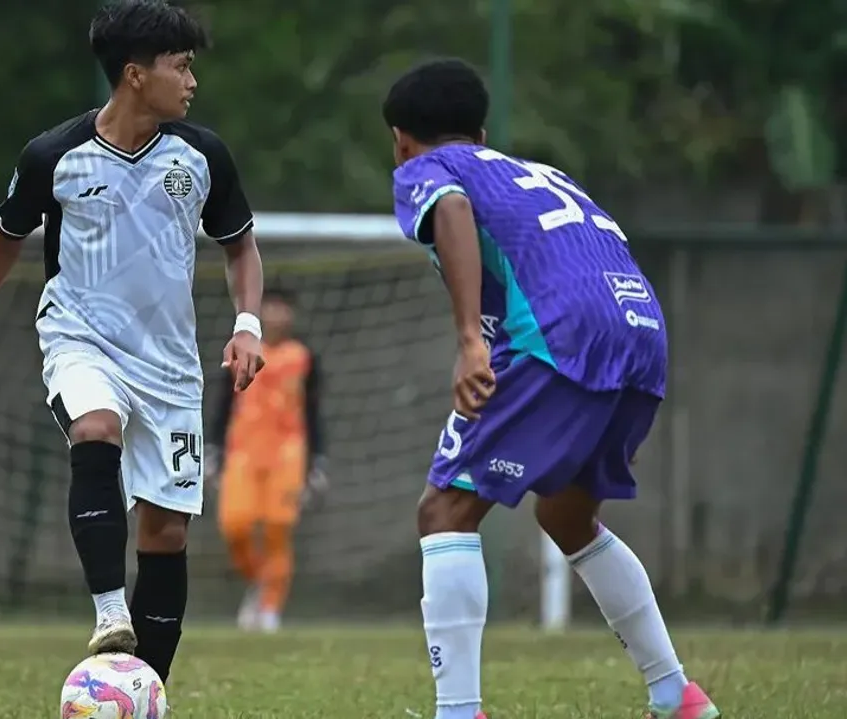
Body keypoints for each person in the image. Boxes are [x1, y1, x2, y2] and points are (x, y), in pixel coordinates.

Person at [0, 0, 264, 687]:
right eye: (182, 66)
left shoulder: (202, 155)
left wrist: (246, 324)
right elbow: (1, 243)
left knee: (166, 532)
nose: (192, 81)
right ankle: (109, 610)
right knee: (95, 426)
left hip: (170, 365)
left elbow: (240, 246)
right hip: (79, 337)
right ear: (135, 74)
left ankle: (146, 690)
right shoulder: (53, 154)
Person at [384, 58, 720, 719]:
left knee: (444, 510)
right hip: (642, 331)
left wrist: (470, 341)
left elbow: (448, 208)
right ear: (480, 130)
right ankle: (675, 693)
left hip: (560, 336)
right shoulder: (541, 173)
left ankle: (458, 712)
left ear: (400, 138)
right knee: (566, 515)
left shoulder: (427, 170)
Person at [205, 288, 328, 633]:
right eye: (269, 309)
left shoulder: (304, 357)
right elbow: (222, 406)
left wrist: (318, 461)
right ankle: (259, 582)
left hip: (288, 453)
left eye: (282, 309)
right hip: (242, 451)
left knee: (277, 528)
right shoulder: (241, 350)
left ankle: (271, 606)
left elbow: (314, 412)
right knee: (235, 525)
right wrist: (213, 451)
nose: (275, 316)